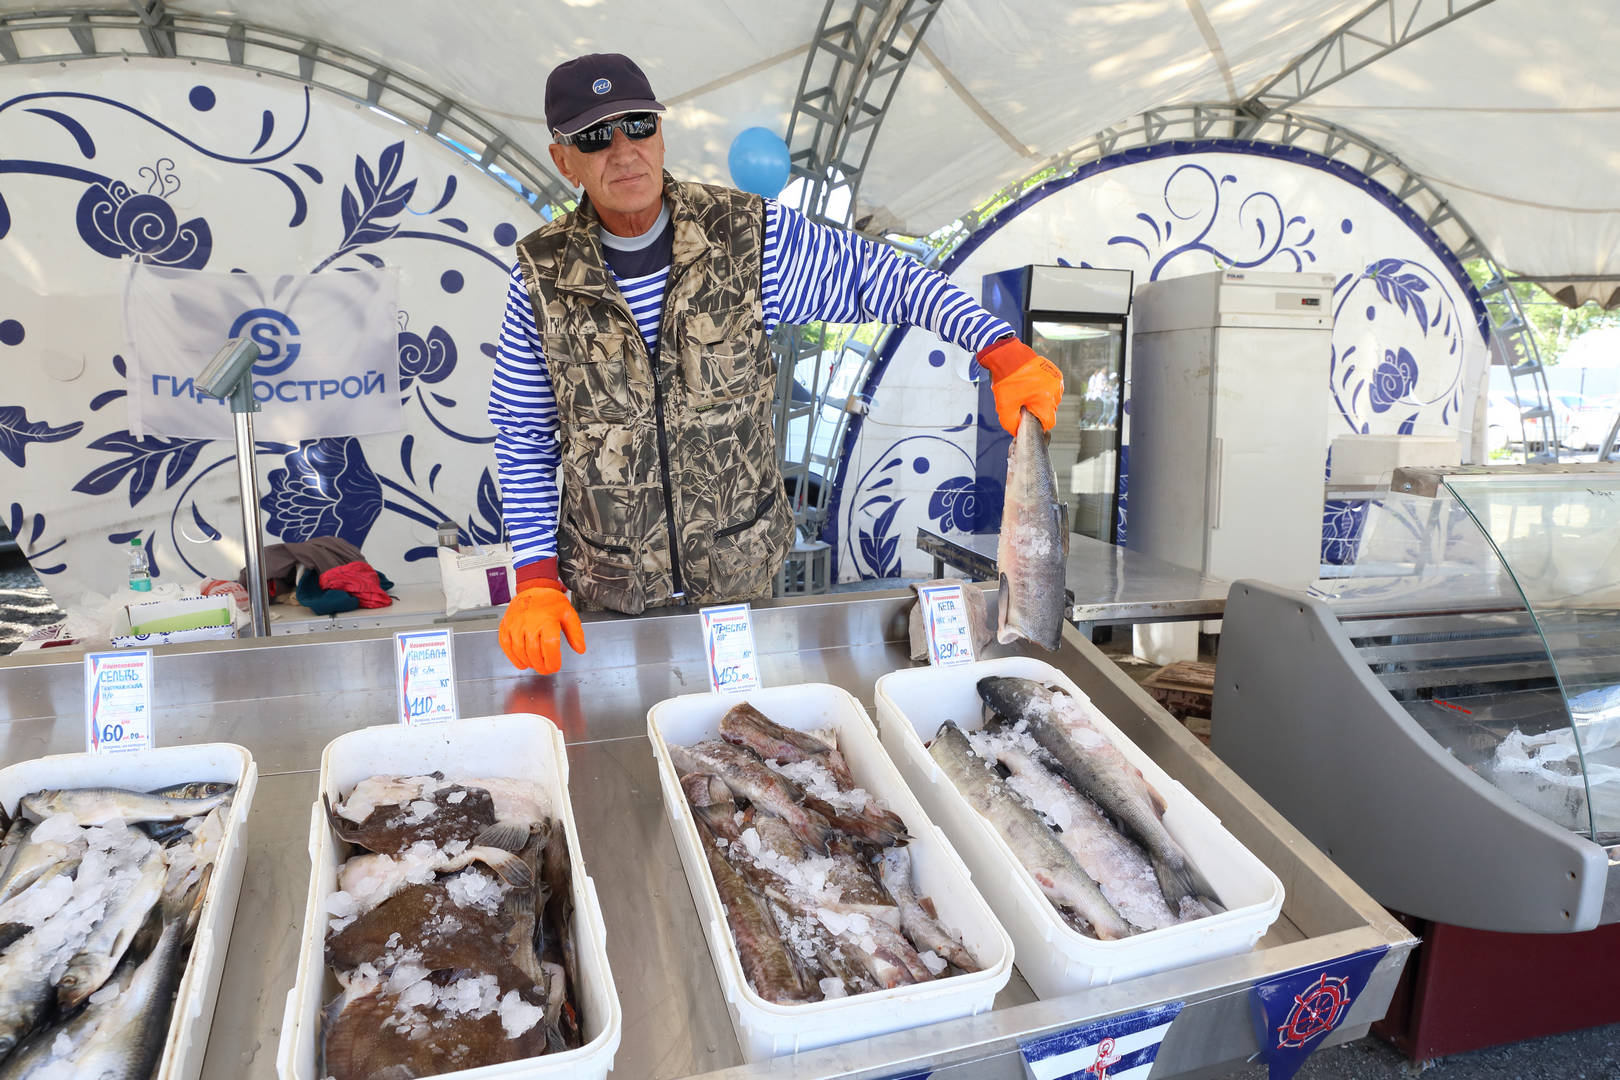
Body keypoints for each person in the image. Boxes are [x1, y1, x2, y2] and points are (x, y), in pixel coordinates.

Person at [489, 53, 1064, 674]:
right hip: (608, 594)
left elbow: (887, 279)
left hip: (740, 583)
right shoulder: (539, 279)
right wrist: (535, 578)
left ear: (661, 132)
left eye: (639, 125)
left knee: (737, 741)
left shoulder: (747, 237)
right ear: (563, 159)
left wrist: (998, 348)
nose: (624, 151)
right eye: (596, 137)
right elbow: (524, 437)